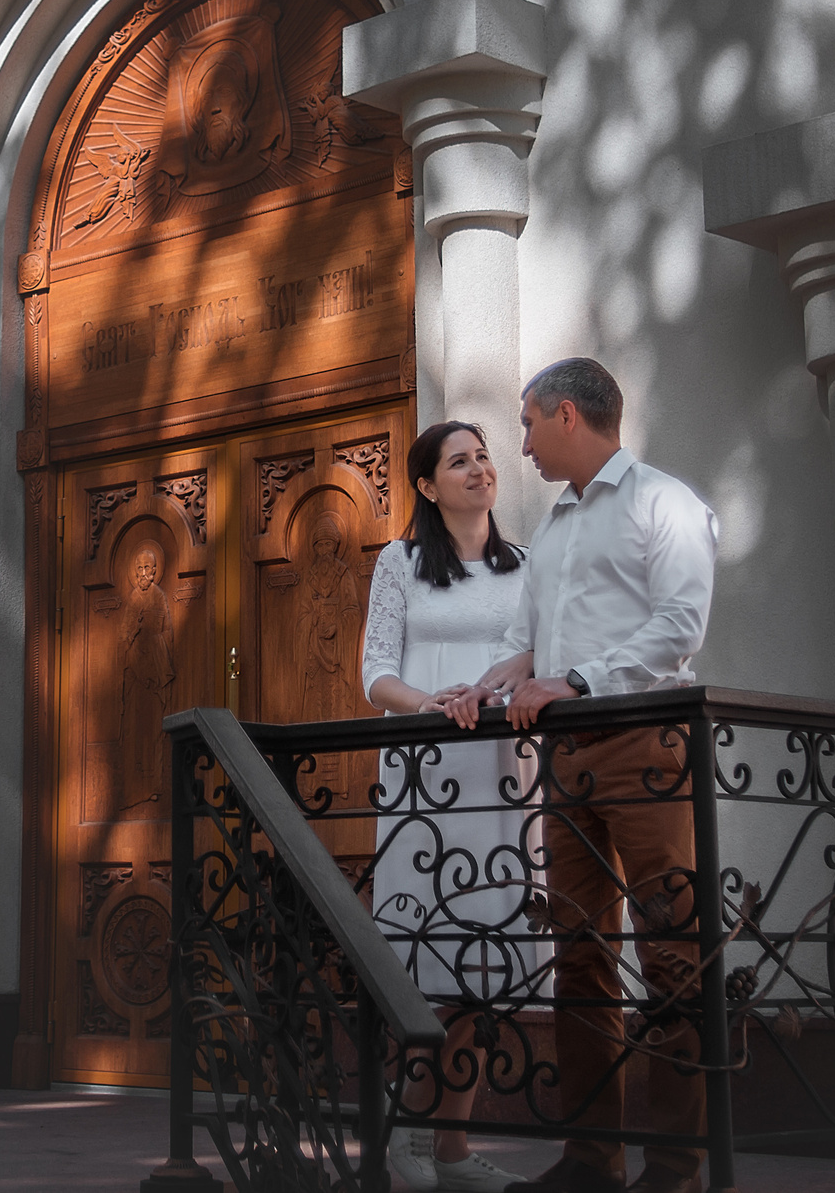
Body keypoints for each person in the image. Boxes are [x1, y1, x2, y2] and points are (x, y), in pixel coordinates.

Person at [474, 358, 719, 1193]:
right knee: (580, 952)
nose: (523, 442)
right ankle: (591, 1160)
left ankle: (679, 1168)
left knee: (671, 950)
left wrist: (577, 682)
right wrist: (485, 685)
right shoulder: (555, 526)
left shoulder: (664, 502)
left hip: (646, 742)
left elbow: (681, 625)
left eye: (529, 421)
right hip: (567, 755)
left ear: (568, 414)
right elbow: (529, 642)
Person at [360, 420, 529, 1193]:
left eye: (484, 455)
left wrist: (492, 695)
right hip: (428, 777)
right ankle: (403, 1129)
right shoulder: (399, 564)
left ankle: (451, 1144)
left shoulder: (525, 567)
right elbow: (375, 674)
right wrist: (435, 704)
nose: (479, 468)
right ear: (427, 485)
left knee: (487, 959)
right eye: (459, 460)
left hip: (502, 778)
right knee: (422, 955)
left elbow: (544, 656)